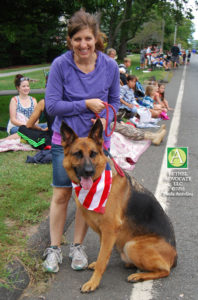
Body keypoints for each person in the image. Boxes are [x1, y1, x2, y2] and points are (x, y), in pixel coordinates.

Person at [43, 9, 120, 273]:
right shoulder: (60, 65)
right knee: (62, 194)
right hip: (66, 144)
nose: (83, 44)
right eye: (77, 39)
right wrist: (84, 105)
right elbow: (52, 106)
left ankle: (77, 246)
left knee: (88, 196)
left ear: (96, 38)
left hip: (96, 146)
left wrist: (105, 127)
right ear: (70, 41)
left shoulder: (109, 66)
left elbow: (115, 103)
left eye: (88, 38)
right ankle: (53, 248)